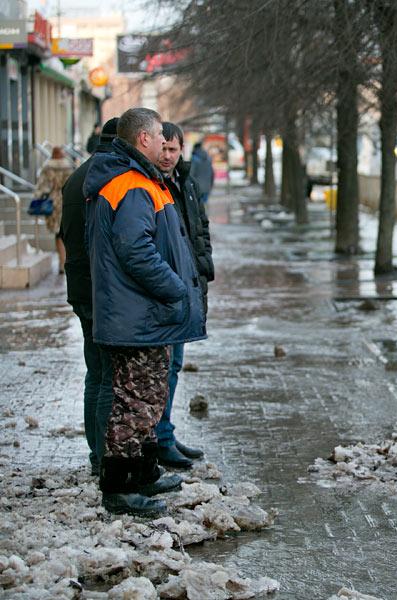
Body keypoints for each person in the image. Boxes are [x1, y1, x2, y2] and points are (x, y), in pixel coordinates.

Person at [84, 107, 206, 516]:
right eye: (158, 136)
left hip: (144, 314)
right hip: (137, 314)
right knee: (134, 402)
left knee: (148, 399)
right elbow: (135, 249)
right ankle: (120, 487)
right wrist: (174, 288)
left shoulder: (141, 180)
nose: (162, 143)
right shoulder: (132, 184)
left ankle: (144, 472)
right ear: (144, 140)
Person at [60, 118, 119, 476]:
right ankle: (104, 455)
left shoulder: (79, 175)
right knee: (107, 376)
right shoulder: (105, 179)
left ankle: (97, 453)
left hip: (81, 287)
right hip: (101, 291)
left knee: (94, 373)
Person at [154, 121, 215, 469]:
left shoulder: (185, 183)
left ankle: (165, 434)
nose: (167, 156)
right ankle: (158, 438)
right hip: (167, 290)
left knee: (174, 365)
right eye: (163, 149)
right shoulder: (152, 184)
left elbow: (200, 228)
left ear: (181, 150)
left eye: (173, 150)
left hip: (187, 287)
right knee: (161, 368)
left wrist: (204, 264)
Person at [36, 147, 74, 274]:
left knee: (57, 234)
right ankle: (67, 260)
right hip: (67, 200)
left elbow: (42, 187)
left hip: (53, 202)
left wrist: (38, 197)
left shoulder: (47, 167)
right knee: (66, 232)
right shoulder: (68, 166)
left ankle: (62, 262)